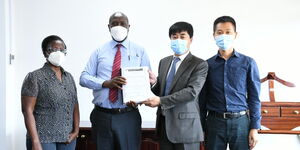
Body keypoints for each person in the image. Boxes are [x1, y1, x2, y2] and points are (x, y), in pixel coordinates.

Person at [79, 12, 151, 150]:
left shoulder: (140, 51)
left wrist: (139, 99)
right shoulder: (99, 51)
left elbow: (147, 81)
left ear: (129, 26)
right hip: (102, 115)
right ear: (108, 27)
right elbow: (84, 78)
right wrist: (106, 83)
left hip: (128, 115)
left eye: (122, 23)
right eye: (114, 24)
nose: (118, 27)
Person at [143, 21, 208, 150]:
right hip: (164, 126)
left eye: (182, 36)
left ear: (191, 39)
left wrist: (161, 101)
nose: (178, 39)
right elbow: (162, 90)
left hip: (186, 128)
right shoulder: (164, 62)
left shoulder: (199, 64)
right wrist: (154, 82)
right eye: (174, 36)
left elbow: (191, 92)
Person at [199, 16, 261, 150]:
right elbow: (202, 100)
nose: (224, 36)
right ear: (214, 35)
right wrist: (201, 127)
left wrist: (255, 128)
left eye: (228, 32)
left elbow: (254, 98)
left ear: (235, 35)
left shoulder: (248, 63)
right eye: (220, 32)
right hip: (214, 122)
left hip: (241, 122)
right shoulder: (206, 65)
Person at [21, 35, 80, 150]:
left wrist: (76, 130)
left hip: (67, 138)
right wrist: (35, 141)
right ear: (45, 53)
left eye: (61, 50)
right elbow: (27, 110)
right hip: (43, 139)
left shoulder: (69, 77)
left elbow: (75, 105)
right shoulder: (35, 77)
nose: (58, 53)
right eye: (53, 49)